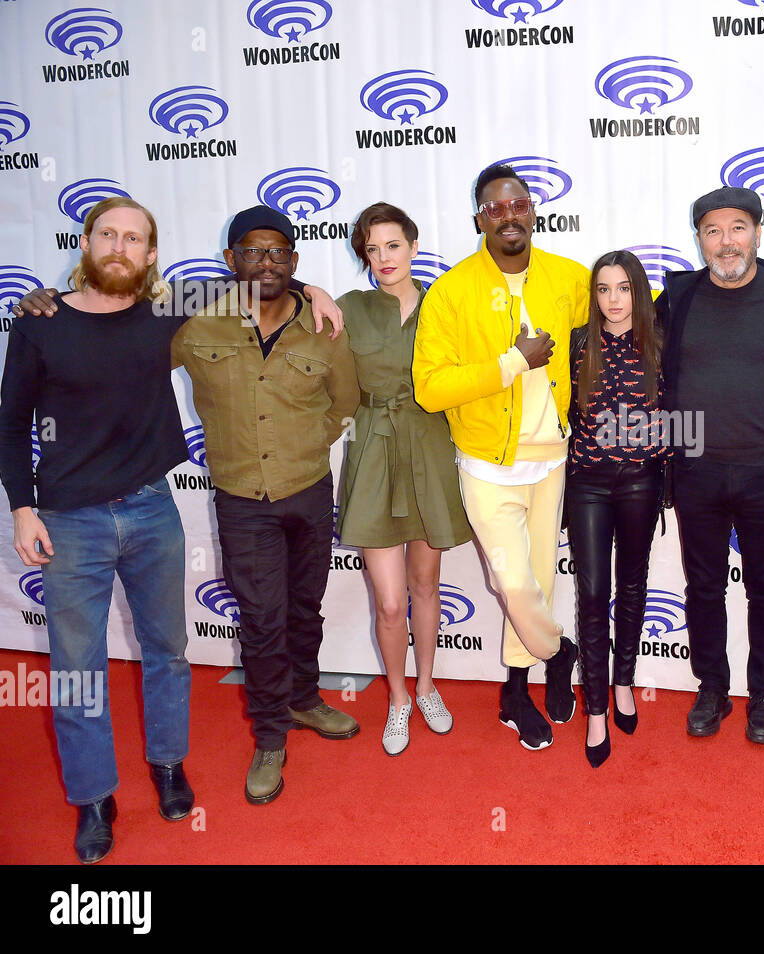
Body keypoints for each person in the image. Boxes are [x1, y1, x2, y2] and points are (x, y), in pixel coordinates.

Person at [0, 198, 193, 862]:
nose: (119, 246)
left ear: (149, 255)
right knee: (77, 670)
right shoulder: (39, 323)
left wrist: (312, 288)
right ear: (86, 242)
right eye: (107, 234)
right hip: (68, 522)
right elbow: (11, 421)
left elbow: (259, 288)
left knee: (167, 649)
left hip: (152, 510)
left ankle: (168, 764)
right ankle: (93, 799)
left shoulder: (167, 313)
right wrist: (21, 507)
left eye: (133, 238)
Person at [172, 204, 360, 804]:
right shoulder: (194, 324)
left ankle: (305, 699)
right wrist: (46, 301)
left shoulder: (325, 330)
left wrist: (303, 447)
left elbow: (345, 404)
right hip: (240, 500)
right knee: (260, 619)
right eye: (252, 251)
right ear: (230, 261)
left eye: (279, 251)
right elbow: (123, 322)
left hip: (307, 491)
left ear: (295, 262)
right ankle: (272, 734)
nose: (266, 261)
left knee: (306, 607)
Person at [412, 164, 587, 751]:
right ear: (478, 219)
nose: (508, 215)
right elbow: (430, 388)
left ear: (533, 209)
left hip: (553, 458)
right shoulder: (452, 291)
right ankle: (559, 651)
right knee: (512, 582)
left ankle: (516, 691)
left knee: (537, 581)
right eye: (495, 208)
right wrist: (513, 362)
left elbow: (627, 306)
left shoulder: (567, 277)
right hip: (488, 464)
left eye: (518, 204)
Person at [656, 186, 764, 744]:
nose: (726, 241)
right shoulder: (677, 296)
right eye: (713, 231)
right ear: (698, 239)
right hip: (696, 471)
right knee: (703, 587)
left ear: (758, 231)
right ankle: (712, 688)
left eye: (737, 227)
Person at [335, 203, 472, 756]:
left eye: (393, 245)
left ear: (412, 247)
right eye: (372, 248)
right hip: (372, 448)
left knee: (426, 586)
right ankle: (397, 700)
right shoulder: (349, 307)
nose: (383, 258)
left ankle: (428, 686)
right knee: (390, 603)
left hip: (430, 444)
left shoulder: (445, 303)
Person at [566, 250, 666, 768]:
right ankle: (597, 708)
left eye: (624, 288)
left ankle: (624, 679)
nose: (614, 299)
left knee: (632, 583)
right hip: (588, 482)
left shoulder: (659, 342)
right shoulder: (580, 343)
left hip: (641, 483)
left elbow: (673, 411)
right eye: (604, 289)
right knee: (590, 592)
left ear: (639, 292)